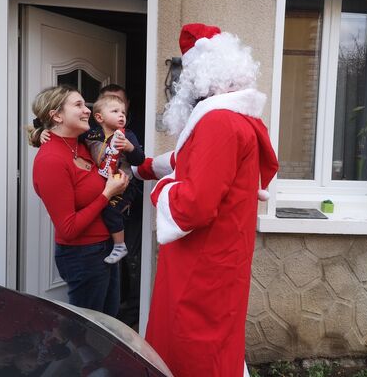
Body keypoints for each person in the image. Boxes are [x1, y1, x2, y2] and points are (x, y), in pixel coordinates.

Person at [135, 23, 279, 376]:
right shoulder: (238, 119)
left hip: (202, 265)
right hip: (222, 259)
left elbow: (194, 205)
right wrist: (150, 167)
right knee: (216, 345)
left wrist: (161, 189)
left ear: (200, 77)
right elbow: (198, 162)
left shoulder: (217, 122)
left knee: (193, 350)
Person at [28, 85, 129, 317]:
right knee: (88, 333)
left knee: (109, 323)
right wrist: (107, 194)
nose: (87, 110)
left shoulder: (82, 145)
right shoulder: (50, 160)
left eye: (85, 104)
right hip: (83, 255)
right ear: (56, 115)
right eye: (78, 105)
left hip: (106, 247)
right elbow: (68, 228)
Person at [84, 94, 145, 264]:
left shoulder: (127, 135)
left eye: (123, 112)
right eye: (115, 111)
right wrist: (45, 132)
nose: (121, 115)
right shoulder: (91, 135)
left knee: (110, 210)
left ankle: (120, 246)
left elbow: (139, 159)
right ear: (99, 117)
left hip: (123, 184)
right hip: (102, 182)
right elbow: (69, 136)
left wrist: (130, 147)